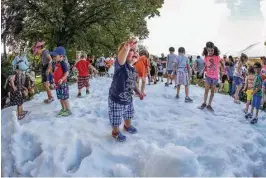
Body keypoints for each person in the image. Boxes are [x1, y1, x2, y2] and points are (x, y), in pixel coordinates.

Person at [108, 39, 143, 142]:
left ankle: (127, 126)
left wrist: (139, 91)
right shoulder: (121, 66)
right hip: (116, 99)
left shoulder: (133, 69)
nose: (135, 52)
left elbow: (133, 82)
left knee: (129, 114)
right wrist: (125, 48)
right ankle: (115, 132)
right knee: (116, 117)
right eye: (132, 50)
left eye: (136, 51)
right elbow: (121, 59)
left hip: (128, 98)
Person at [198, 42, 221, 112]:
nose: (210, 52)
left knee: (212, 92)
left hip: (215, 77)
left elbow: (221, 64)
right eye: (209, 50)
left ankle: (209, 105)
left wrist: (222, 70)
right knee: (206, 91)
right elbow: (206, 65)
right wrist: (202, 70)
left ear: (214, 49)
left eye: (212, 50)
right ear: (206, 50)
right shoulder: (206, 57)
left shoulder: (217, 57)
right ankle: (204, 103)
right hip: (208, 76)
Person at [53, 46, 71, 116]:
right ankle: (63, 109)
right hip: (58, 84)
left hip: (63, 84)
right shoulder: (56, 63)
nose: (54, 56)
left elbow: (66, 73)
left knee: (65, 98)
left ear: (61, 56)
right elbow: (55, 73)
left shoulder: (63, 63)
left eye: (55, 55)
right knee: (60, 98)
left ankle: (68, 110)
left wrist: (62, 79)